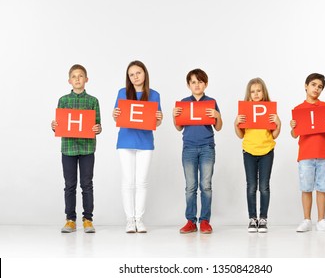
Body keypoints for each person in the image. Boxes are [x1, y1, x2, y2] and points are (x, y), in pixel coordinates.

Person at [113, 60, 163, 233]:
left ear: (145, 74)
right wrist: (115, 114)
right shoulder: (122, 92)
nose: (135, 77)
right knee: (128, 182)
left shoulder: (154, 94)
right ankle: (129, 219)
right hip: (126, 141)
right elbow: (117, 116)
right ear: (128, 77)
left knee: (141, 182)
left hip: (145, 142)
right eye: (131, 74)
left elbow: (157, 120)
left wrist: (159, 117)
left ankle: (139, 219)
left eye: (138, 73)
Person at [51, 64, 102, 233]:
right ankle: (70, 220)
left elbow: (98, 125)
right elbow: (60, 124)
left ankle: (88, 219)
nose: (78, 79)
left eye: (81, 76)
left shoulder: (93, 101)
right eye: (74, 76)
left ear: (86, 79)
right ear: (69, 81)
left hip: (87, 148)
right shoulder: (63, 100)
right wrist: (54, 126)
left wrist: (98, 128)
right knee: (69, 185)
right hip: (68, 148)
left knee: (87, 184)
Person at [173, 68, 223, 234]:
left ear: (206, 84)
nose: (197, 85)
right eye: (193, 82)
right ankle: (190, 221)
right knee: (190, 186)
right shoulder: (184, 102)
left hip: (207, 147)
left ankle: (205, 221)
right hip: (188, 147)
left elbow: (218, 127)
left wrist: (217, 115)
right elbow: (179, 127)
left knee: (206, 185)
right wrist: (175, 116)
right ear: (189, 85)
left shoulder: (211, 102)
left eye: (200, 81)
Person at [290, 73, 325, 232]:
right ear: (306, 85)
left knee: (322, 187)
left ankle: (321, 220)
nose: (316, 88)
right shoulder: (298, 109)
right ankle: (306, 219)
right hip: (305, 154)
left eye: (320, 87)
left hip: (323, 153)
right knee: (306, 187)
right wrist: (293, 126)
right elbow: (294, 134)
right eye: (313, 85)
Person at [234, 78, 281, 233]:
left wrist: (278, 123)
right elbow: (240, 135)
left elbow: (274, 135)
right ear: (249, 94)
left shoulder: (268, 109)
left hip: (267, 151)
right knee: (251, 186)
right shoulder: (246, 110)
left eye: (258, 91)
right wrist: (236, 123)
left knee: (264, 186)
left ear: (263, 92)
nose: (255, 94)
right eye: (252, 91)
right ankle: (252, 218)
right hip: (249, 151)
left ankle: (263, 219)